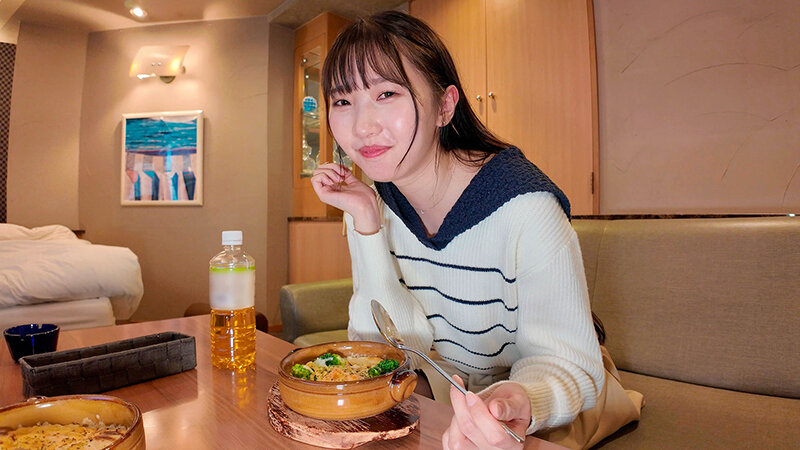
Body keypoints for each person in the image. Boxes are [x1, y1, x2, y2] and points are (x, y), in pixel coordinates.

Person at [311, 10, 642, 450]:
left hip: (541, 396)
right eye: (342, 102)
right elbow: (391, 348)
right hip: (456, 386)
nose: (362, 126)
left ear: (444, 106)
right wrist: (367, 224)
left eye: (386, 93)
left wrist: (518, 399)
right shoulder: (373, 201)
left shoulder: (525, 205)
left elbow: (568, 365)